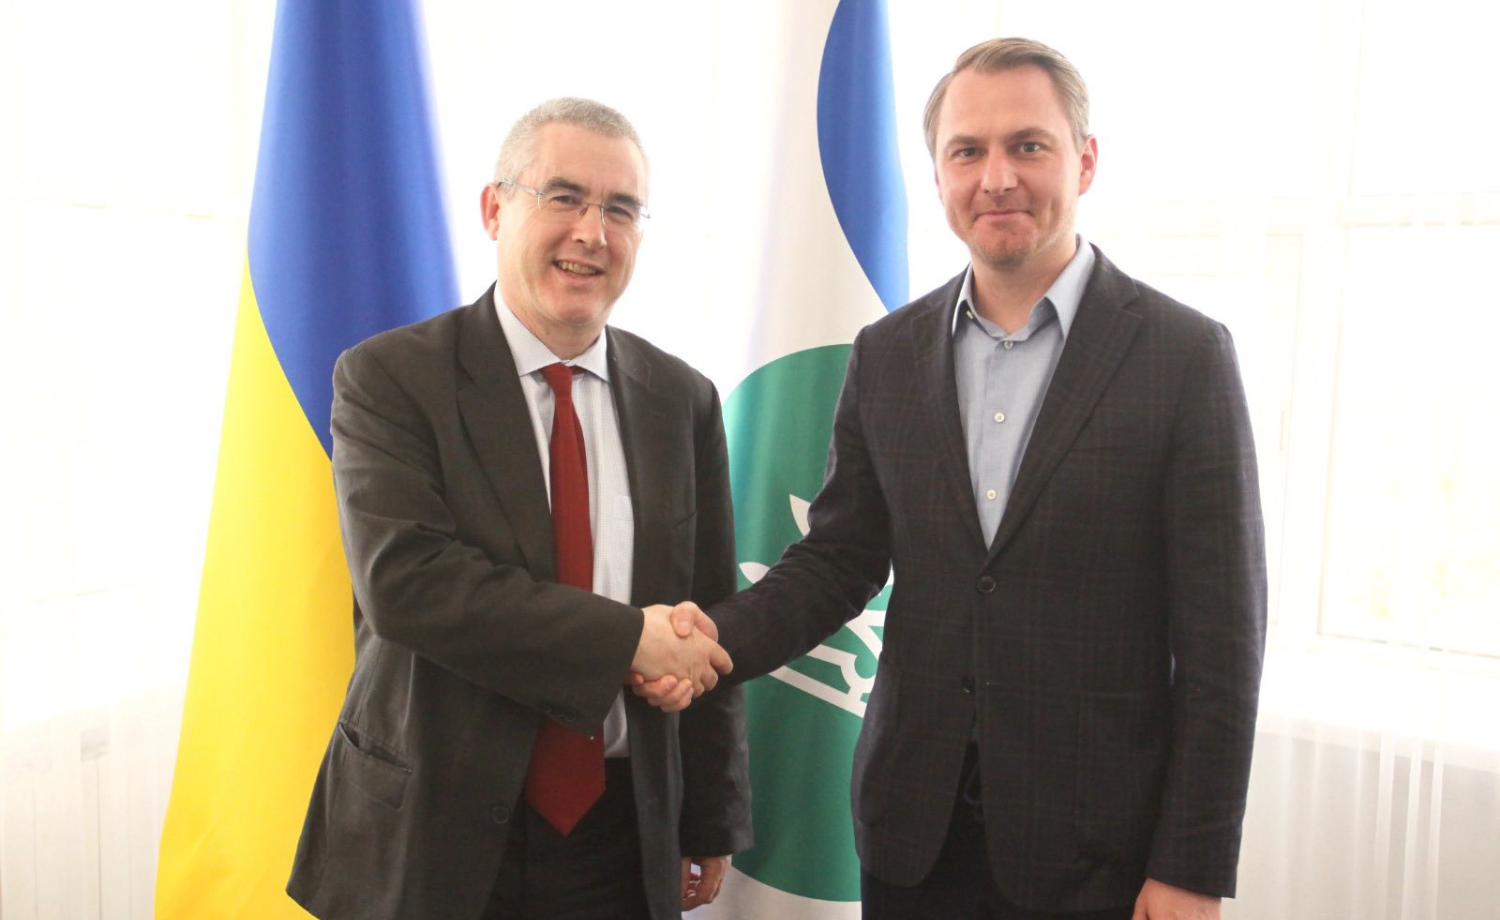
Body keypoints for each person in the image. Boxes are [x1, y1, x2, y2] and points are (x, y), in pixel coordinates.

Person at [641, 37, 1266, 920]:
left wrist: (1192, 867)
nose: (996, 178)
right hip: (912, 839)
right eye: (967, 151)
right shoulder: (887, 353)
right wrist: (712, 642)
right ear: (937, 177)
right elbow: (839, 560)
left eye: (1028, 146)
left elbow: (1223, 644)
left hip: (1100, 854)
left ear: (1085, 161)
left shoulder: (1185, 356)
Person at [287, 97, 749, 920]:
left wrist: (708, 814)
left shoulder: (682, 399)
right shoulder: (390, 378)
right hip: (433, 830)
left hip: (622, 832)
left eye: (621, 209)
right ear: (495, 209)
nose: (592, 232)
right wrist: (625, 640)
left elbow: (705, 610)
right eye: (564, 197)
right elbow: (408, 583)